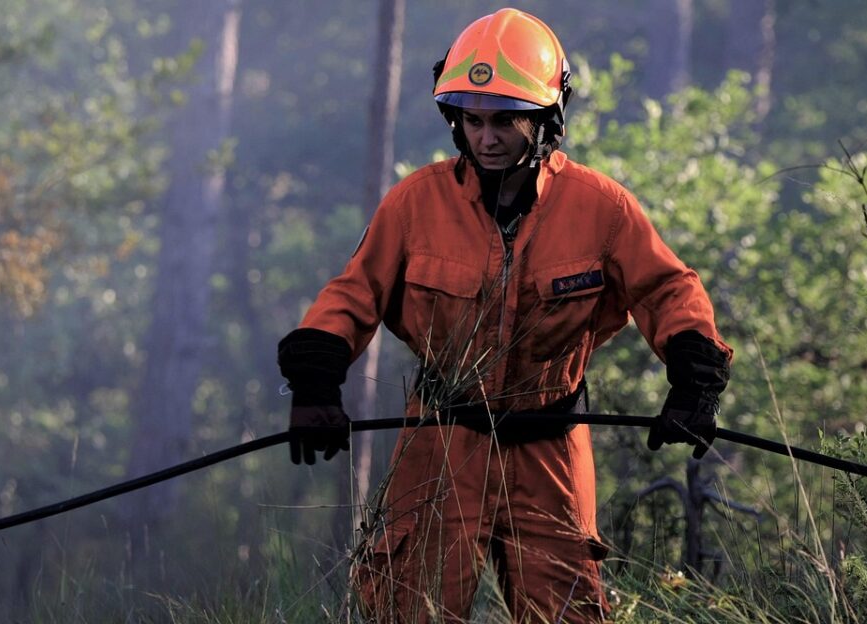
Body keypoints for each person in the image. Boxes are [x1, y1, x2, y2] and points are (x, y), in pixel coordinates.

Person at [276, 8, 732, 623]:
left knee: (567, 613)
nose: (486, 137)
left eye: (505, 121)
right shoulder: (416, 204)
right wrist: (314, 381)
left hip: (550, 449)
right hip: (441, 443)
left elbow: (668, 290)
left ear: (546, 120)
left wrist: (694, 380)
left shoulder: (601, 209)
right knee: (415, 610)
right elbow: (353, 295)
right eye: (472, 120)